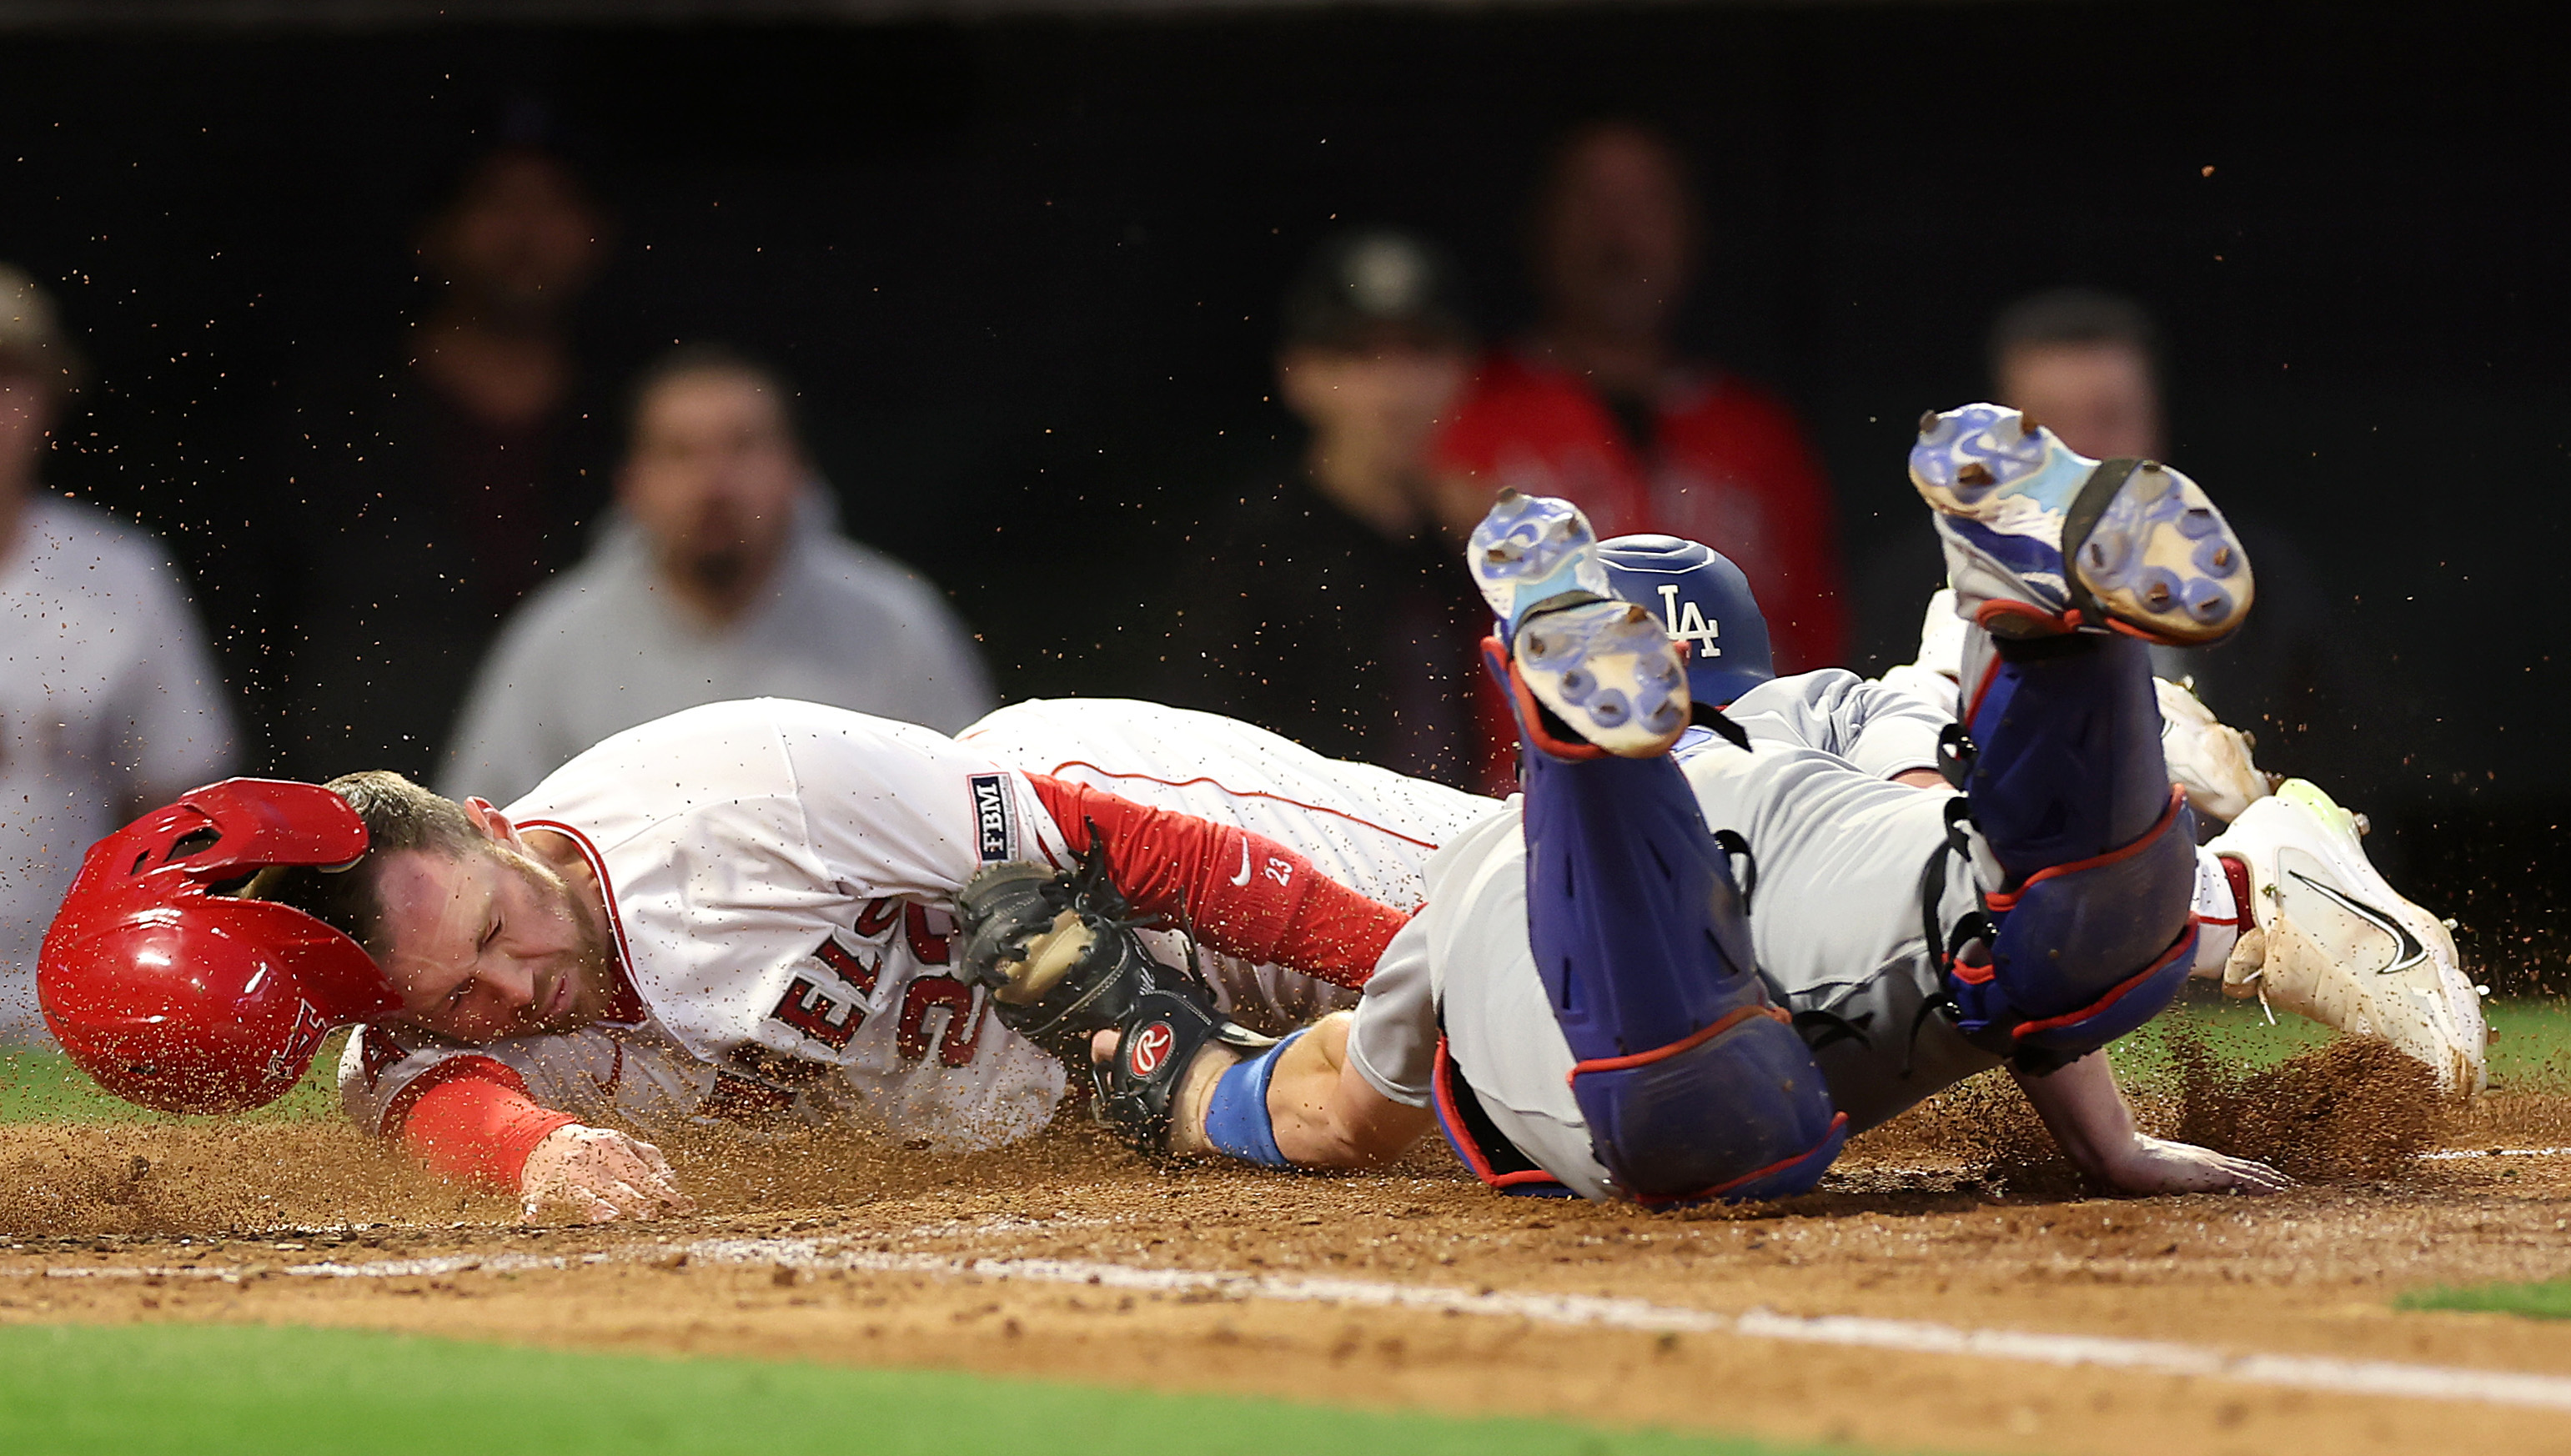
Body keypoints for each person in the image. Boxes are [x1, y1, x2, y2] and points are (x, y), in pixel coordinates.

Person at [1099, 411, 2302, 1203]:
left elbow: (1340, 1118)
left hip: (1570, 926)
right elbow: (1962, 854)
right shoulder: (1819, 706)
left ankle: (1581, 756)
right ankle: (2030, 627)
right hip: (1826, 837)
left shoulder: (1473, 863)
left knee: (1715, 1123)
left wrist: (1199, 1089)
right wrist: (2109, 1146)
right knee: (2068, 929)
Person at [38, 689, 1493, 1220]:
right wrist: (538, 1153)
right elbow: (424, 1095)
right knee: (1509, 1097)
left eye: (495, 926)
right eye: (457, 993)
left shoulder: (737, 791)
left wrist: (1418, 959)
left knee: (1525, 926)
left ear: (492, 822)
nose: (512, 988)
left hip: (1135, 852)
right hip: (1135, 1065)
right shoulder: (435, 1033)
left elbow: (1141, 845)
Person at [439, 348, 997, 804]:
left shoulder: (895, 623)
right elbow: (478, 836)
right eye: (680, 453)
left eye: (742, 446)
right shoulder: (555, 639)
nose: (714, 483)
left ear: (796, 468)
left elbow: (982, 811)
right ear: (632, 482)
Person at [1854, 289, 2340, 780]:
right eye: (2048, 429)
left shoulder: (2256, 581)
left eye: (2110, 419)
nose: (2082, 451)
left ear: (2157, 425)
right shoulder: (1915, 583)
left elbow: (2338, 777)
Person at [1429, 122, 1847, 681]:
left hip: (1743, 752)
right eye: (1591, 200)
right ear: (1541, 224)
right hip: (1532, 760)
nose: (1617, 232)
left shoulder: (1759, 433)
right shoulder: (1467, 407)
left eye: (1646, 203)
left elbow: (1817, 640)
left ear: (1692, 229)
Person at [269, 136, 620, 783]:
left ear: (595, 234)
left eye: (550, 204)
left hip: (575, 796)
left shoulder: (632, 418)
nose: (524, 233)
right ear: (433, 234)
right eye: (495, 203)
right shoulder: (339, 415)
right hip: (367, 790)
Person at [1157, 230, 1493, 787]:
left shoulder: (1469, 545)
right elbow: (1189, 752)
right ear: (1300, 374)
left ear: (1464, 369)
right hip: (1307, 856)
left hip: (1466, 851)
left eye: (1422, 351)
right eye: (1358, 354)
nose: (1395, 386)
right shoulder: (1255, 549)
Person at [0, 264, 239, 1043]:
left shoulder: (118, 568)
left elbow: (184, 806)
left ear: (48, 400)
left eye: (10, 378)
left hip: (61, 995)